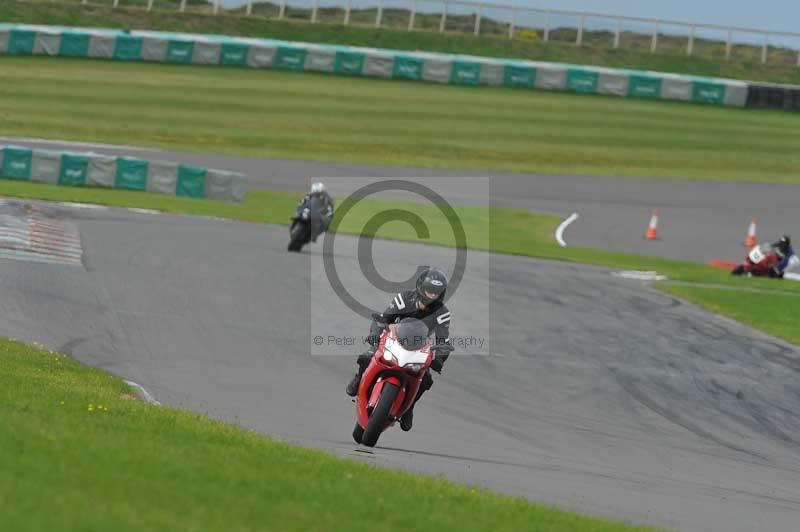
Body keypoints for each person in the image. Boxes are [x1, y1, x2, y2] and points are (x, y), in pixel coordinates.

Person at [345, 267, 453, 432]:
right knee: (367, 356)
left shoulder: (442, 313)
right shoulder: (404, 299)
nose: (432, 294)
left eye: (436, 292)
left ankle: (409, 408)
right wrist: (375, 333)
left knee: (426, 379)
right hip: (393, 340)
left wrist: (439, 359)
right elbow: (383, 318)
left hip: (418, 348)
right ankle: (359, 378)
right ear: (421, 288)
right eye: (429, 290)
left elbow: (443, 341)